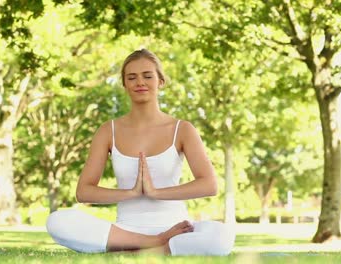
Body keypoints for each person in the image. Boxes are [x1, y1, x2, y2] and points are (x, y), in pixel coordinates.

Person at [46, 49, 235, 255]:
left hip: (176, 229)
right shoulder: (108, 131)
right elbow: (84, 192)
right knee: (57, 221)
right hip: (126, 230)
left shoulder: (182, 129)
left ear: (160, 81)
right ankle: (155, 243)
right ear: (125, 85)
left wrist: (155, 192)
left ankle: (135, 250)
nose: (140, 82)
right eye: (132, 77)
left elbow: (209, 184)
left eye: (147, 76)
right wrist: (131, 193)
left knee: (222, 237)